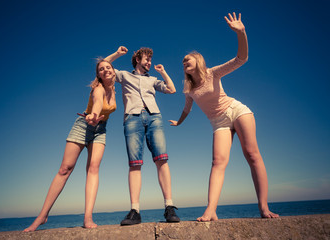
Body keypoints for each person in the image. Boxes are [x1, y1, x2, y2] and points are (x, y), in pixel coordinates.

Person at [169, 12, 279, 221]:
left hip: (236, 111)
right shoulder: (188, 88)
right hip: (218, 122)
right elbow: (186, 109)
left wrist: (241, 33)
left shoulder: (213, 73)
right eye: (182, 61)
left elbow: (241, 59)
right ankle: (211, 210)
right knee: (217, 162)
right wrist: (179, 122)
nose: (184, 62)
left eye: (188, 59)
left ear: (198, 61)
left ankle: (264, 207)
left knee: (251, 154)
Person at [23, 59, 116, 231]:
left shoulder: (115, 85)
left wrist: (117, 53)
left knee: (93, 169)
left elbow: (107, 64)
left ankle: (88, 216)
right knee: (65, 169)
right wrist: (93, 115)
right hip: (84, 124)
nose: (105, 70)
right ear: (98, 74)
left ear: (113, 70)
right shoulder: (98, 88)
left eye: (108, 67)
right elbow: (97, 102)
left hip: (101, 130)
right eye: (101, 69)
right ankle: (42, 216)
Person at [105, 46, 180, 225]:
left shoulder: (153, 79)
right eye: (147, 59)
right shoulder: (123, 75)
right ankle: (135, 211)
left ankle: (169, 207)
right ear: (138, 59)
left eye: (150, 60)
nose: (150, 62)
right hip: (132, 118)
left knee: (162, 160)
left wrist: (163, 72)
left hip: (154, 117)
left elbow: (171, 89)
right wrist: (117, 54)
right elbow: (104, 67)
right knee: (134, 164)